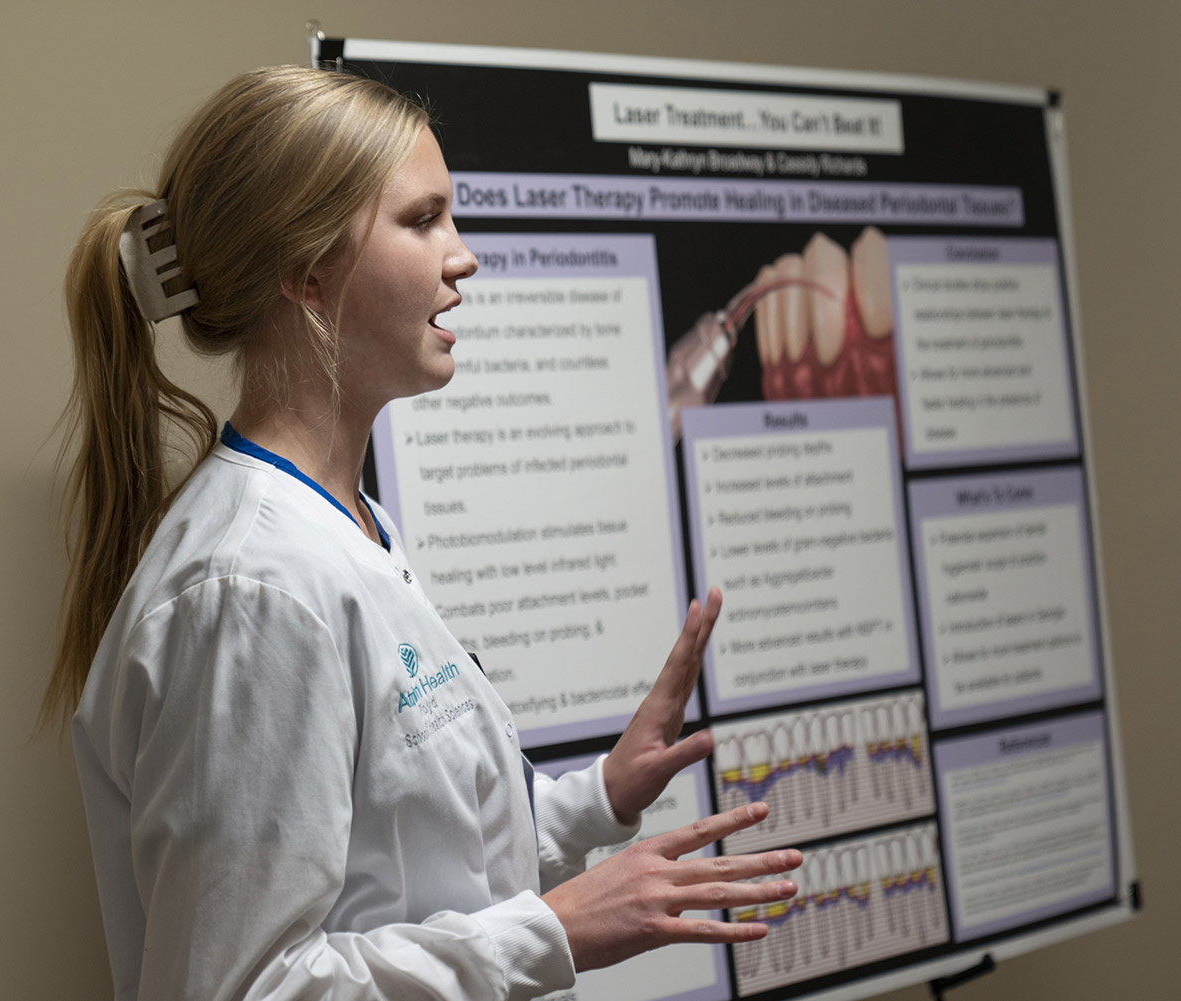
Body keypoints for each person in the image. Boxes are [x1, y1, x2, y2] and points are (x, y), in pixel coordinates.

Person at [44, 65, 800, 1001]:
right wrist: (552, 930)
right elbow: (242, 988)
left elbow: (413, 864)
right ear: (306, 268)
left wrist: (601, 795)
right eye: (422, 219)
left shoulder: (347, 524)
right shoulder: (254, 590)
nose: (463, 255)